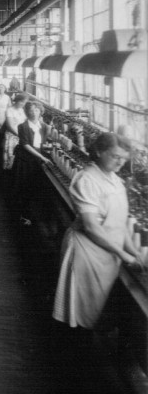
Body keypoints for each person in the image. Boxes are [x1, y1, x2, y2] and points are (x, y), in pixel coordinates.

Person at [53, 133, 144, 330]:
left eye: (123, 158)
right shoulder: (87, 180)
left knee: (94, 314)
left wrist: (135, 253)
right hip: (86, 253)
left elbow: (119, 224)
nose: (120, 162)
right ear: (99, 152)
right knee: (78, 314)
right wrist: (122, 253)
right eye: (115, 156)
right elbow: (91, 227)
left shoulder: (115, 180)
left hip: (107, 256)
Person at [2, 94, 27, 170]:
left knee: (17, 155)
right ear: (16, 101)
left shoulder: (21, 110)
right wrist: (19, 134)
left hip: (20, 135)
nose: (23, 104)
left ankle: (14, 172)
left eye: (24, 102)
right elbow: (10, 126)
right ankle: (7, 171)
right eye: (21, 102)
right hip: (12, 135)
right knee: (10, 153)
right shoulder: (10, 110)